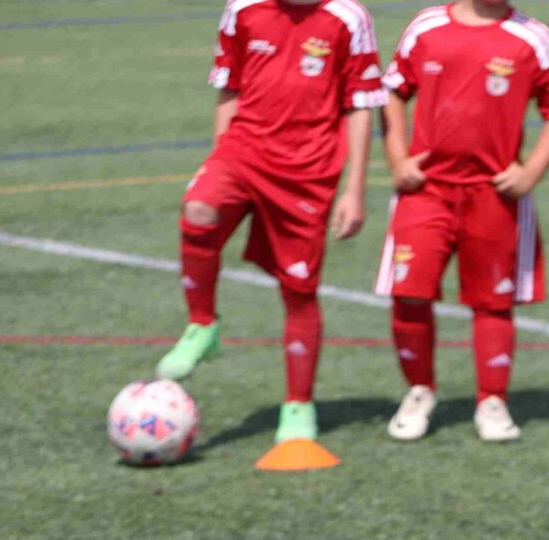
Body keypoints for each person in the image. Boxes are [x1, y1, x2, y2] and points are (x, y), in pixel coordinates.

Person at [157, 0, 385, 456]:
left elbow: (360, 106)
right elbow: (229, 87)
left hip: (308, 170)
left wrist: (354, 188)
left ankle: (298, 405)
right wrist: (219, 157)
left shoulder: (349, 18)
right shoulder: (243, 9)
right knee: (199, 207)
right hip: (243, 151)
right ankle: (202, 325)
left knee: (299, 288)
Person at [374, 0, 549, 444]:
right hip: (424, 190)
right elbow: (390, 90)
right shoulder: (426, 26)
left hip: (494, 195)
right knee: (408, 292)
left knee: (493, 301)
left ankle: (492, 399)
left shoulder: (533, 38)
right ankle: (419, 391)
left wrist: (531, 172)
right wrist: (396, 158)